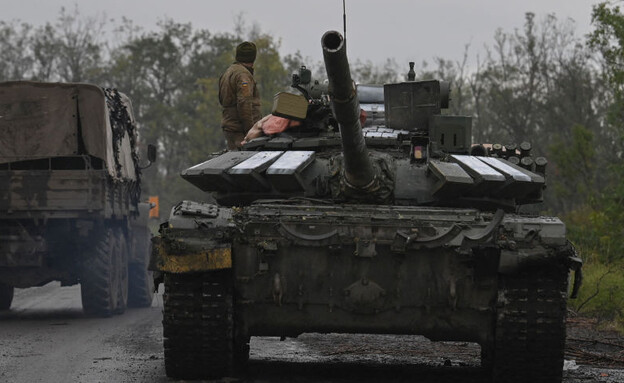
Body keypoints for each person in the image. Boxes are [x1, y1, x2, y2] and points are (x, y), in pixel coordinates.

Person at [218, 41, 262, 150]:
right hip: (241, 131)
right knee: (245, 163)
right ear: (252, 58)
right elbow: (244, 104)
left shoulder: (228, 72)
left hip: (231, 127)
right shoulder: (243, 75)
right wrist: (251, 130)